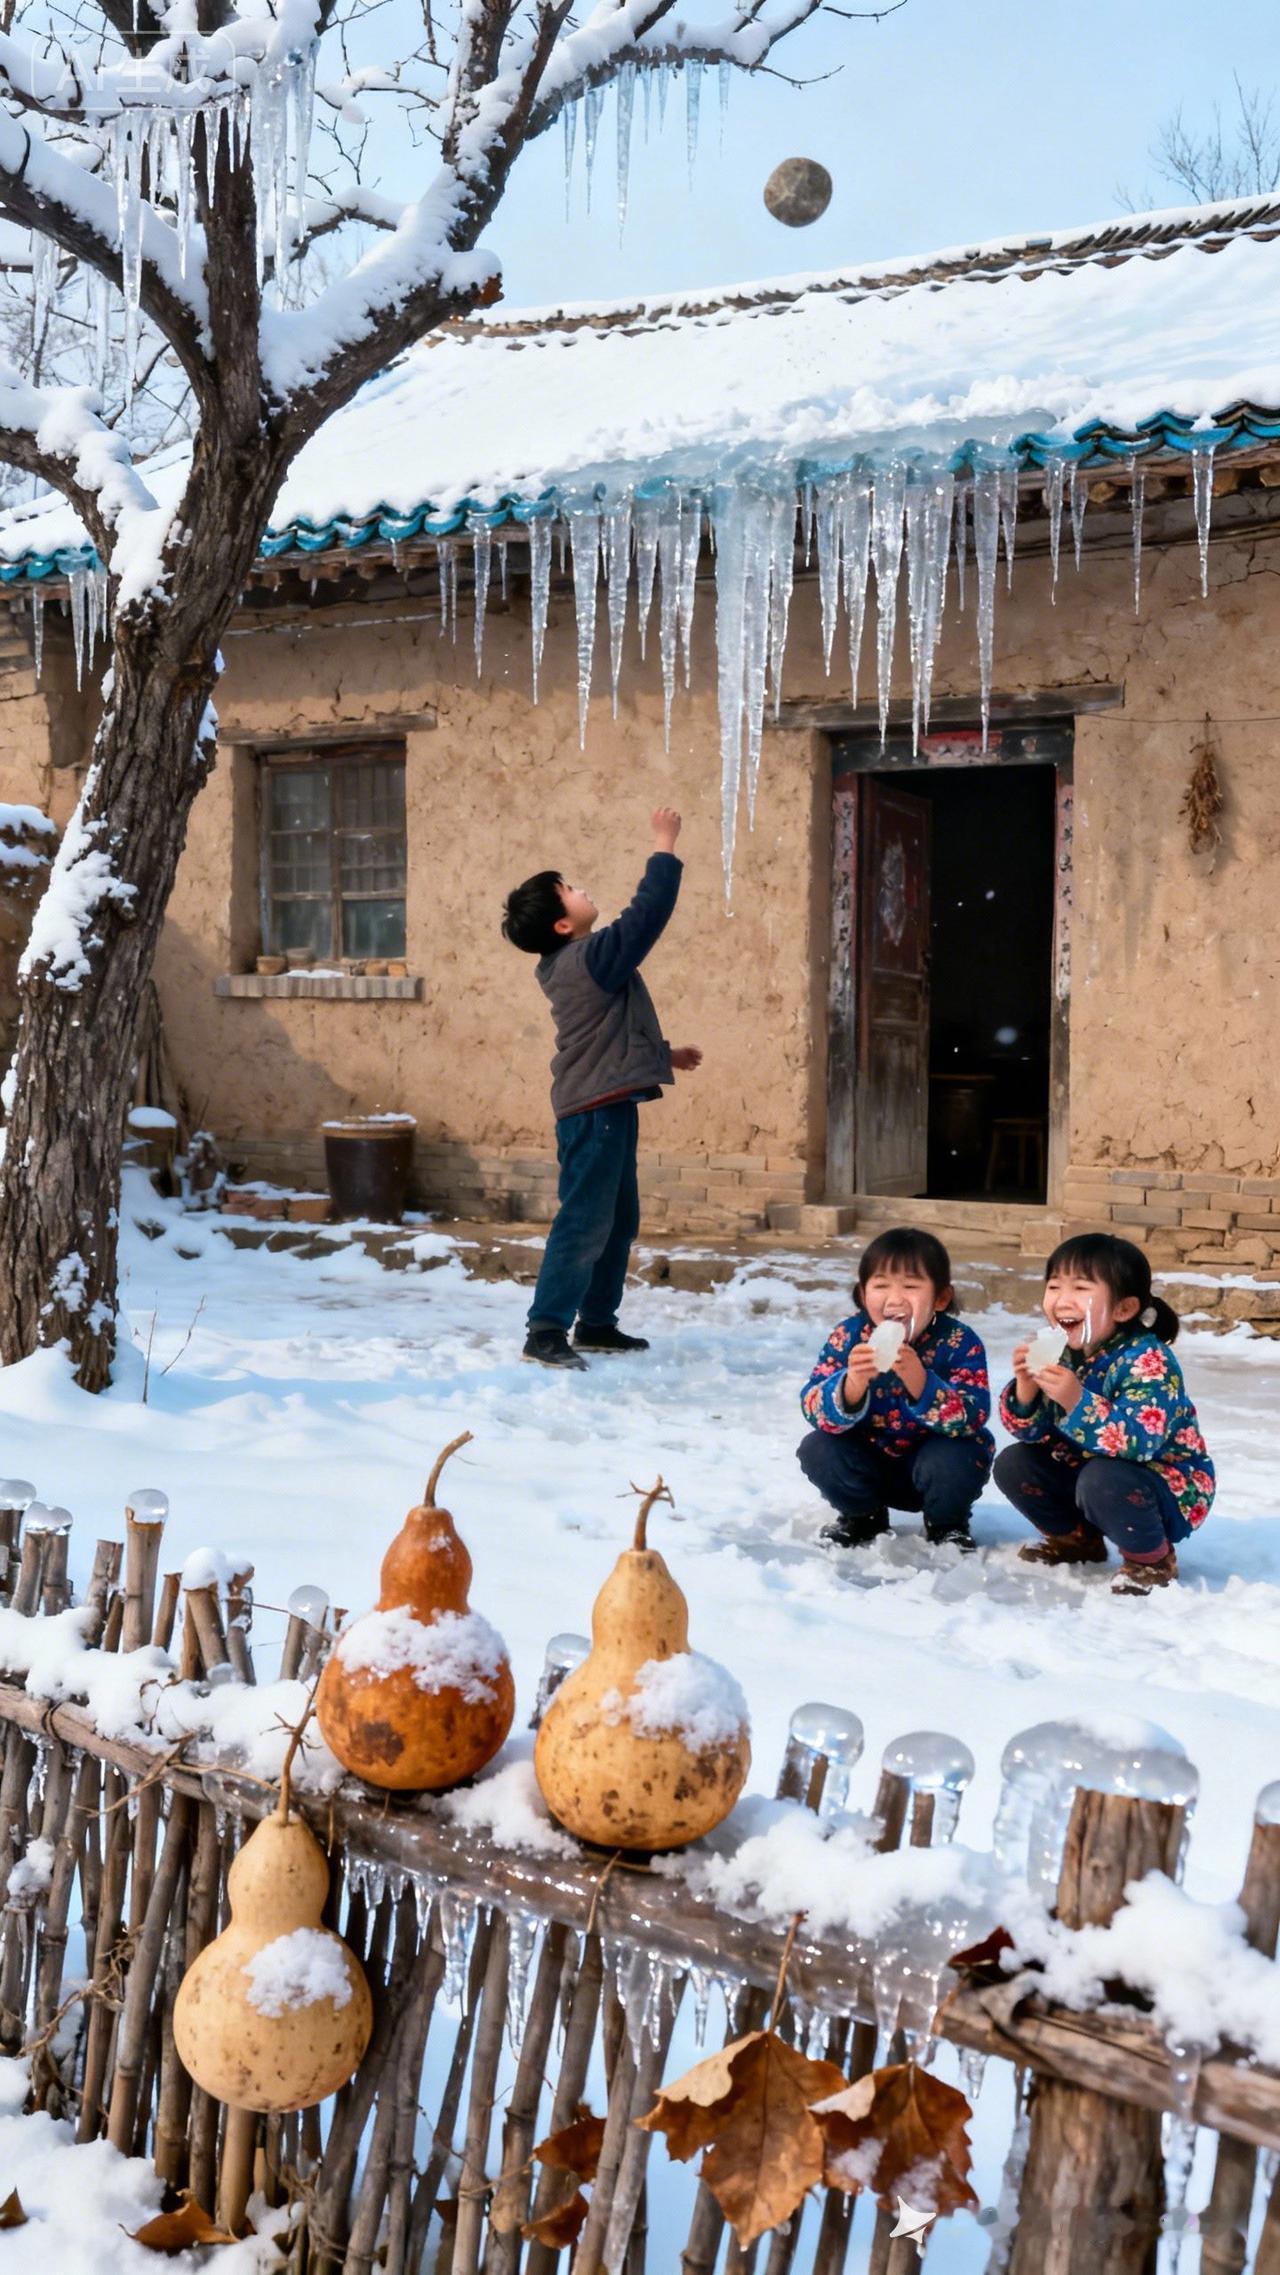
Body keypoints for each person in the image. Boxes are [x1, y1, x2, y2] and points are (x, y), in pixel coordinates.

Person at [501, 806, 701, 1370]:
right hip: (593, 1114)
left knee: (616, 1219)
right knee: (586, 1219)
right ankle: (545, 1331)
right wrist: (664, 843)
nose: (581, 888)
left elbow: (604, 1036)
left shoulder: (577, 964)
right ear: (562, 924)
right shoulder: (589, 958)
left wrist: (663, 1055)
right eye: (569, 890)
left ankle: (595, 1322)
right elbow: (647, 916)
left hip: (605, 1105)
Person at [993, 1232, 1214, 1597]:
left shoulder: (1149, 1360)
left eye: (1080, 1288)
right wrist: (1025, 1387)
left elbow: (1141, 1443)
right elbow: (1028, 1433)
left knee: (1103, 1478)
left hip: (1161, 1483)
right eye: (1053, 1286)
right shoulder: (1063, 1352)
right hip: (1087, 1473)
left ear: (1123, 1309)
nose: (1062, 1300)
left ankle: (1151, 1560)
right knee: (1014, 1463)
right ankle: (1077, 1541)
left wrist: (1077, 1401)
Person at [797, 1227, 993, 1552]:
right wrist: (851, 1385)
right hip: (868, 1465)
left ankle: (947, 1525)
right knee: (818, 1447)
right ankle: (862, 1517)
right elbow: (812, 1406)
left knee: (960, 1453)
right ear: (862, 1294)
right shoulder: (848, 1337)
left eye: (911, 1286)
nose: (895, 1298)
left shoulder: (960, 1342)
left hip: (934, 1467)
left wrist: (921, 1382)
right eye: (881, 1285)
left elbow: (973, 1418)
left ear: (941, 1298)